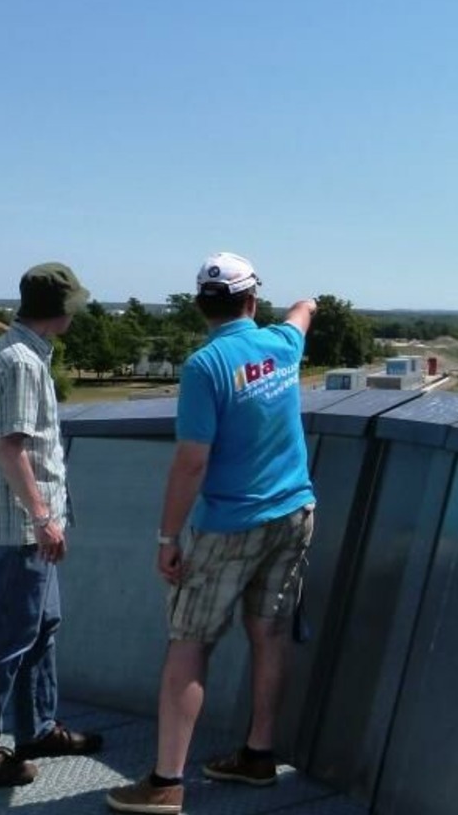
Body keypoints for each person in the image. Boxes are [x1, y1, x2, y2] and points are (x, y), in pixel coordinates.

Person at [108, 252, 318, 815]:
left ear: (202, 306)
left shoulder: (205, 367)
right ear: (252, 299)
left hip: (230, 525)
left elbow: (192, 462)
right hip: (294, 512)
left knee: (190, 644)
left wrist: (167, 539)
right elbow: (301, 314)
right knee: (269, 633)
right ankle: (258, 755)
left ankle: (166, 782)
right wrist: (308, 303)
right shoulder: (282, 344)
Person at [0, 262, 105, 788]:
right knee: (8, 640)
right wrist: (42, 518)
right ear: (57, 309)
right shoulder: (21, 363)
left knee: (42, 626)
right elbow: (11, 448)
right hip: (22, 530)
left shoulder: (23, 352)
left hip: (29, 527)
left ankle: (36, 729)